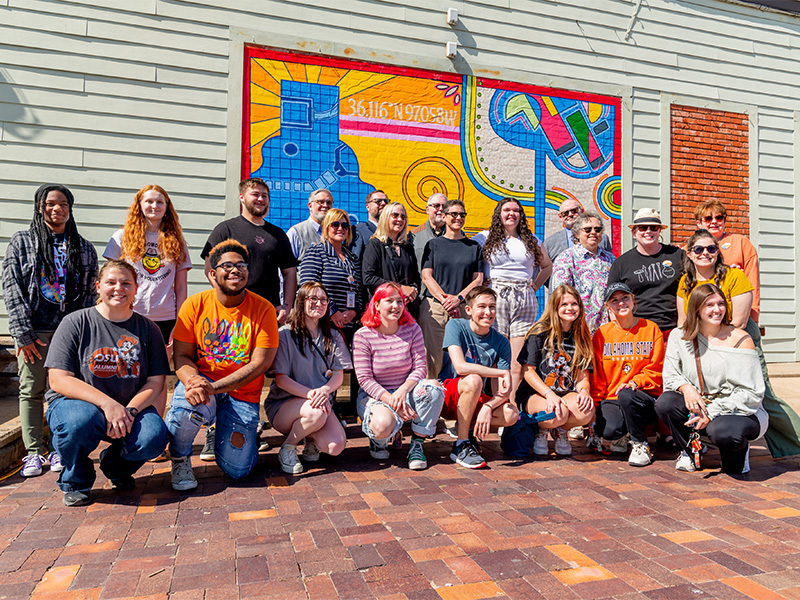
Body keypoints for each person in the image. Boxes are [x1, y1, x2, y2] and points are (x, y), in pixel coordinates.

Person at [44, 260, 169, 506]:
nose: (118, 288)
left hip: (127, 405)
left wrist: (130, 411)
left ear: (136, 288)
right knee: (79, 423)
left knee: (154, 437)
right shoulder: (75, 323)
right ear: (99, 287)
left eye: (125, 283)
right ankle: (75, 481)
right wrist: (108, 405)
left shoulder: (148, 329)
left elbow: (156, 381)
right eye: (111, 282)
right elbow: (58, 379)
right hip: (77, 405)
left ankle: (115, 466)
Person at [166, 240, 279, 490]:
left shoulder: (264, 309)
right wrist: (193, 382)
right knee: (185, 411)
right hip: (202, 386)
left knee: (238, 470)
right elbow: (182, 357)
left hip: (241, 394)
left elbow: (260, 363)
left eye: (241, 265)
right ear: (212, 273)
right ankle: (180, 459)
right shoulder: (194, 305)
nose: (235, 270)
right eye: (227, 265)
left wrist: (213, 388)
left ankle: (227, 431)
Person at [2, 184, 98, 478]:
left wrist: (82, 335)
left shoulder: (82, 246)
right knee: (31, 391)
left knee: (64, 392)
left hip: (68, 334)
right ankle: (33, 453)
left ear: (70, 209)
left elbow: (89, 295)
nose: (57, 209)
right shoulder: (22, 242)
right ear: (40, 207)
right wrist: (22, 333)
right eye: (50, 204)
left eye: (63, 205)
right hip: (35, 332)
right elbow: (12, 287)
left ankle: (59, 447)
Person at [677, 229, 800, 459]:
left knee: (764, 396)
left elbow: (739, 321)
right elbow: (683, 321)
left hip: (738, 341)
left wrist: (714, 346)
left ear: (718, 252)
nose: (706, 253)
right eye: (699, 249)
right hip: (703, 342)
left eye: (711, 248)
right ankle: (700, 440)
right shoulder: (686, 281)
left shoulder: (733, 276)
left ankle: (795, 443)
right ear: (690, 254)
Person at [656, 284, 768, 474]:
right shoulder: (679, 336)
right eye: (709, 305)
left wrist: (711, 412)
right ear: (697, 309)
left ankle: (740, 450)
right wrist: (686, 388)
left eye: (721, 304)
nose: (717, 310)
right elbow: (670, 375)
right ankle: (689, 451)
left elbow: (752, 393)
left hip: (739, 410)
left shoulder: (741, 339)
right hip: (700, 405)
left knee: (723, 434)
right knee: (665, 402)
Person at [352, 283, 444, 470]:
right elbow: (364, 379)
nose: (396, 306)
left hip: (405, 391)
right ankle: (379, 440)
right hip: (375, 395)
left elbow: (420, 368)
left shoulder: (413, 330)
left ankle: (417, 445)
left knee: (434, 389)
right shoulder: (363, 336)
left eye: (399, 301)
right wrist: (393, 401)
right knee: (382, 424)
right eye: (389, 301)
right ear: (376, 304)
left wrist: (402, 392)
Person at [265, 282, 351, 475]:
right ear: (301, 301)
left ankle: (310, 438)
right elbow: (281, 380)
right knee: (316, 413)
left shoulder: (333, 336)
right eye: (313, 298)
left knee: (335, 446)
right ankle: (288, 447)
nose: (318, 303)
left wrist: (324, 391)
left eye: (323, 300)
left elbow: (338, 375)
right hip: (284, 407)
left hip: (319, 403)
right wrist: (313, 394)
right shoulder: (286, 335)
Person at [472, 198, 552, 399]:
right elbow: (468, 261)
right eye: (507, 209)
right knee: (498, 358)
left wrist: (534, 286)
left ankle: (510, 406)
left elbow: (547, 266)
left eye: (516, 210)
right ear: (499, 213)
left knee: (517, 360)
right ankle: (495, 406)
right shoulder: (484, 238)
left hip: (524, 297)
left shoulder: (531, 240)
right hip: (496, 296)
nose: (511, 214)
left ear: (521, 215)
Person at [440, 286, 519, 469]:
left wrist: (489, 406)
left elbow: (504, 390)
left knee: (511, 413)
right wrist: (501, 372)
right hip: (448, 395)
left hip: (474, 396)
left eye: (492, 307)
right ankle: (461, 445)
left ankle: (466, 431)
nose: (487, 312)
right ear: (468, 310)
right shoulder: (456, 325)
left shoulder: (501, 342)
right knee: (474, 379)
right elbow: (460, 367)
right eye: (481, 306)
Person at [103, 184, 192, 345]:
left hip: (165, 317)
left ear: (167, 207)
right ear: (139, 205)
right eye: (149, 201)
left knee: (159, 368)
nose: (154, 206)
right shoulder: (121, 237)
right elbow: (108, 279)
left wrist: (180, 321)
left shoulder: (178, 241)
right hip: (130, 313)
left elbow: (180, 287)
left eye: (160, 202)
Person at [201, 178, 296, 323]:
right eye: (255, 194)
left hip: (268, 311)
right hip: (233, 311)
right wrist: (225, 294)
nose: (260, 199)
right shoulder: (225, 229)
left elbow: (289, 272)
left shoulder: (278, 234)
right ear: (242, 197)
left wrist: (287, 306)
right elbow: (209, 266)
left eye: (264, 196)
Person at [590, 283, 665, 466]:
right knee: (609, 431)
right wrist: (595, 405)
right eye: (614, 300)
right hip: (612, 396)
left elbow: (657, 368)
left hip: (642, 396)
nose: (621, 303)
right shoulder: (602, 334)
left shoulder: (651, 328)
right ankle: (622, 435)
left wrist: (636, 382)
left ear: (633, 300)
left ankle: (640, 444)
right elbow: (598, 374)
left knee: (627, 394)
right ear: (608, 306)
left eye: (625, 298)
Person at [516, 284, 594, 457]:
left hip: (565, 392)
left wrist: (584, 391)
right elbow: (528, 372)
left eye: (574, 304)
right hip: (535, 394)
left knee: (587, 410)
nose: (570, 308)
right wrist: (549, 395)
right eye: (564, 304)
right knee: (557, 413)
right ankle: (542, 429)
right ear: (555, 307)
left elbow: (583, 376)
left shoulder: (581, 336)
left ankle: (561, 431)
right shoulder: (540, 332)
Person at [419, 199, 483, 378]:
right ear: (445, 217)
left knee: (462, 362)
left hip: (463, 309)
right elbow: (426, 276)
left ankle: (459, 403)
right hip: (436, 309)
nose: (458, 218)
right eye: (454, 214)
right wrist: (446, 301)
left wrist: (458, 299)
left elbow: (478, 279)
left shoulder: (473, 247)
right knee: (431, 361)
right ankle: (430, 400)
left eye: (462, 214)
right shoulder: (433, 245)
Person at [606, 208, 684, 334]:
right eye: (643, 227)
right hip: (636, 330)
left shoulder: (677, 255)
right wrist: (620, 332)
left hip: (672, 329)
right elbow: (611, 300)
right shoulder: (621, 263)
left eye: (653, 228)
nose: (648, 231)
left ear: (659, 231)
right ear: (634, 231)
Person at [298, 209, 363, 336]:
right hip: (321, 324)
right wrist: (332, 311)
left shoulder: (353, 258)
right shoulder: (316, 252)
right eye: (335, 224)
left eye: (345, 226)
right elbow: (307, 287)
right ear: (326, 227)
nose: (340, 229)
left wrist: (354, 311)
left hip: (347, 327)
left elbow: (359, 291)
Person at [694, 199, 760, 323]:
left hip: (737, 315)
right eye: (708, 218)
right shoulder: (691, 249)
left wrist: (753, 314)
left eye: (719, 218)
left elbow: (753, 280)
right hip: (704, 317)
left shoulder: (741, 242)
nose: (714, 221)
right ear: (699, 223)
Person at [551, 211, 614, 335]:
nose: (593, 233)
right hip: (578, 328)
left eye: (597, 229)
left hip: (606, 328)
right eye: (587, 229)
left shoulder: (611, 259)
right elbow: (561, 295)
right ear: (577, 233)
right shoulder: (566, 258)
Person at [361, 201, 421, 316]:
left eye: (403, 216)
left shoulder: (407, 246)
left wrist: (413, 291)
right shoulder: (375, 244)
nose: (400, 219)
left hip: (407, 309)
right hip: (384, 310)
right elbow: (368, 277)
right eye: (395, 215)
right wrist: (400, 288)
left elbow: (415, 277)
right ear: (385, 218)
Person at [543, 199, 612, 265]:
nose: (570, 214)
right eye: (565, 213)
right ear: (560, 217)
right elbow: (544, 269)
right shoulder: (550, 242)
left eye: (574, 211)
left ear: (582, 211)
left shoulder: (602, 238)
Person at [286, 189, 334, 261]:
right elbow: (285, 266)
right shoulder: (296, 232)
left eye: (329, 202)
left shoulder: (335, 232)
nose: (325, 205)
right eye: (320, 202)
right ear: (310, 206)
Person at [411, 192, 447, 269]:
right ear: (427, 209)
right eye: (436, 206)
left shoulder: (457, 235)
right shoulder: (414, 235)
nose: (441, 209)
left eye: (444, 206)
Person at [351, 190, 389, 258]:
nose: (383, 203)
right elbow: (355, 260)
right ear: (368, 207)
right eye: (378, 201)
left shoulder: (393, 232)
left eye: (386, 201)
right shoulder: (358, 230)